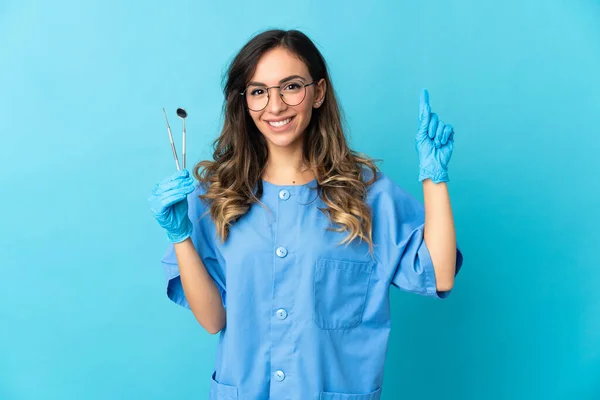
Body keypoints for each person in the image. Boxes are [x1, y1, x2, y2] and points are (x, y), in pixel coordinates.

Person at [148, 29, 463, 400]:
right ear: (245, 102)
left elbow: (440, 276)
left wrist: (434, 178)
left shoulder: (366, 194)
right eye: (259, 91)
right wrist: (180, 236)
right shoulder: (218, 196)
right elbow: (214, 320)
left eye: (291, 87)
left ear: (319, 93)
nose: (275, 106)